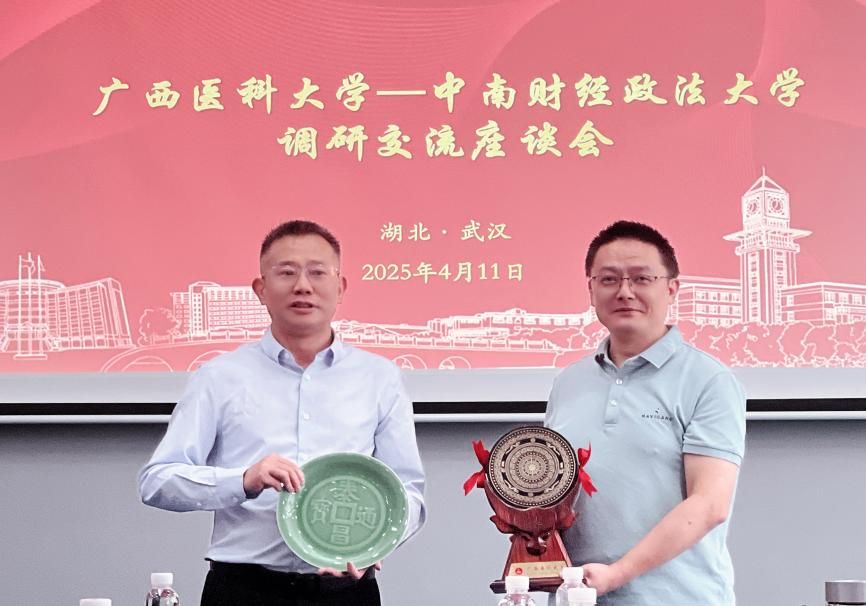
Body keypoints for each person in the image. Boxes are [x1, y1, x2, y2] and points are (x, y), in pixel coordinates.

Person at [139, 220, 426, 606]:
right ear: (261, 289)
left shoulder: (379, 378)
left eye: (317, 272)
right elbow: (157, 481)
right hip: (242, 590)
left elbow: (408, 492)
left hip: (347, 591)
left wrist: (375, 542)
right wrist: (243, 480)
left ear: (340, 288)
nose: (303, 286)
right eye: (287, 272)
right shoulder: (219, 377)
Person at [545, 220, 746, 605]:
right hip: (578, 597)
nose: (625, 292)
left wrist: (617, 575)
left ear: (671, 289)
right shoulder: (568, 382)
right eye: (608, 280)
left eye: (641, 278)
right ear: (591, 290)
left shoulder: (709, 381)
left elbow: (709, 505)